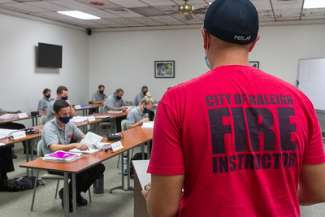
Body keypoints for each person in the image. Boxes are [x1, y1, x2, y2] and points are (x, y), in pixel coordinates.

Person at [144, 1, 325, 217]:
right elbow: (318, 190)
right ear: (254, 42)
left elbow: (162, 210)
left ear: (205, 37)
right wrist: (272, 195)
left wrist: (151, 196)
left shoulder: (176, 101)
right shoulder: (299, 100)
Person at [41, 100, 105, 211]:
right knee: (81, 173)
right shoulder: (49, 127)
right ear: (56, 114)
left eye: (68, 113)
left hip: (69, 158)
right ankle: (69, 195)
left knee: (99, 168)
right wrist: (74, 145)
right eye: (64, 114)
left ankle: (71, 193)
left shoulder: (69, 123)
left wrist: (93, 142)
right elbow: (54, 147)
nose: (67, 116)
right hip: (53, 161)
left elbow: (82, 137)